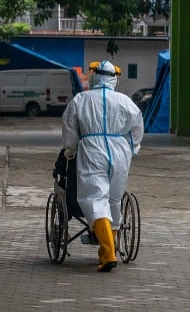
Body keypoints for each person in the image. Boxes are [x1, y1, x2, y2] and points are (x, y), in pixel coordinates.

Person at [61, 60, 144, 272]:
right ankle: (109, 247)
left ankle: (107, 253)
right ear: (114, 78)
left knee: (94, 198)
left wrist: (70, 150)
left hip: (92, 149)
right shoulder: (125, 101)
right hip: (119, 150)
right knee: (114, 199)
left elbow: (70, 129)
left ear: (94, 76)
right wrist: (132, 148)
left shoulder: (81, 100)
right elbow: (137, 128)